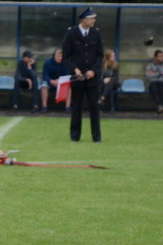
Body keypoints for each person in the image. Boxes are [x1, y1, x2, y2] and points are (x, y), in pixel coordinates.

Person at [61, 7, 104, 143]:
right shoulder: (71, 33)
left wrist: (94, 71)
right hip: (77, 78)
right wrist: (75, 70)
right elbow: (66, 57)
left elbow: (99, 55)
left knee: (94, 108)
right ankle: (75, 136)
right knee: (76, 107)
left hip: (93, 78)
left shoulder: (96, 33)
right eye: (91, 18)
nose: (94, 20)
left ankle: (96, 137)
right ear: (83, 19)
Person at [146, 49, 163, 114]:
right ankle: (161, 106)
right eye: (160, 56)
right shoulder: (150, 65)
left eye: (162, 56)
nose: (162, 58)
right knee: (153, 86)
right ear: (155, 57)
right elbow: (148, 76)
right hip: (153, 84)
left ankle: (160, 107)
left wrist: (154, 73)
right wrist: (160, 74)